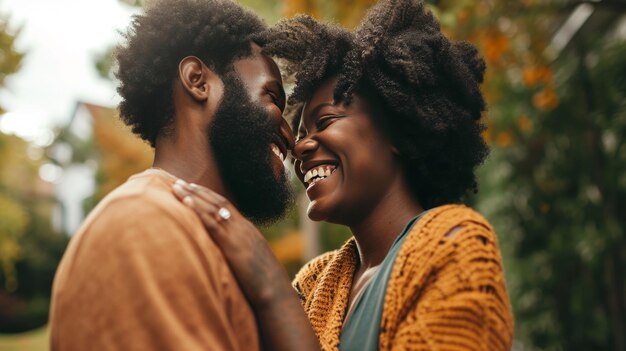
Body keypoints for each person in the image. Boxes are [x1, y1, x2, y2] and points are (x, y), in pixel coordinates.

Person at [173, 0, 514, 350]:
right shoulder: (315, 283)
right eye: (301, 133)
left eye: (326, 122)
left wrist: (270, 287)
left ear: (396, 132)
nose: (300, 147)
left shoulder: (453, 244)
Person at [48, 0, 320, 350]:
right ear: (198, 81)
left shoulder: (210, 237)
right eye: (271, 96)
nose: (289, 135)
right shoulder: (143, 225)